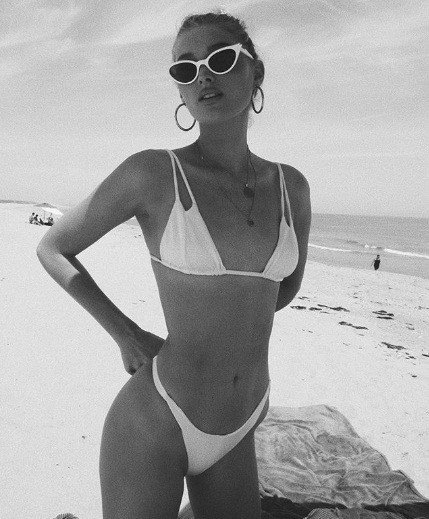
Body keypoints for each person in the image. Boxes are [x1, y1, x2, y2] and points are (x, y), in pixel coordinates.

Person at [36, 11, 311, 519]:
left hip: (242, 421)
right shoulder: (153, 173)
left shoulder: (291, 187)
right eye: (186, 68)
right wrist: (126, 334)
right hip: (158, 419)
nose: (203, 75)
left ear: (255, 72)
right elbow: (53, 248)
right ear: (180, 90)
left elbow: (282, 290)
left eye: (220, 59)